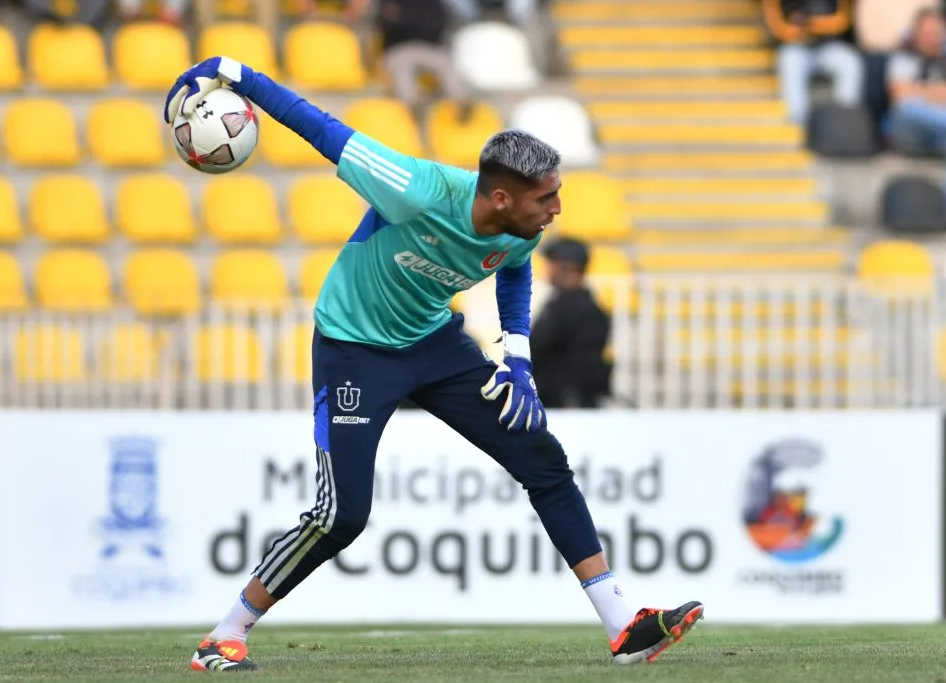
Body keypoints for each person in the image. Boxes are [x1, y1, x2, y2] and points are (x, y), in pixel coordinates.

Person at [163, 56, 704, 673]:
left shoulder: (522, 226)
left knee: (541, 457)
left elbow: (516, 270)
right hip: (354, 349)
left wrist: (518, 362)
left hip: (434, 343)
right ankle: (224, 634)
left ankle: (623, 625)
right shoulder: (413, 187)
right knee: (341, 516)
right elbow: (317, 126)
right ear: (501, 196)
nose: (556, 209)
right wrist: (234, 72)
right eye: (546, 198)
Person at [530, 237, 612, 409]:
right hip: (566, 402)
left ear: (567, 267)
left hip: (564, 405)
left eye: (551, 264)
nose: (547, 271)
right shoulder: (590, 308)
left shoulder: (570, 308)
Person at [886, 7, 946, 156]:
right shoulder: (904, 55)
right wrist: (936, 93)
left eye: (935, 34)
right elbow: (900, 96)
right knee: (908, 108)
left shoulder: (942, 59)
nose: (931, 40)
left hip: (938, 135)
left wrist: (917, 90)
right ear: (916, 34)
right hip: (906, 130)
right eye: (926, 34)